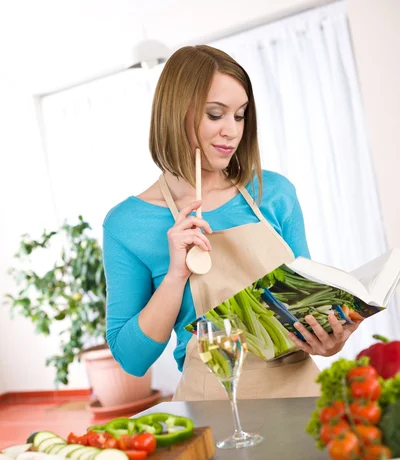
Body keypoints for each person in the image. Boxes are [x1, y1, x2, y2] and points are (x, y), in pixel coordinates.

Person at [102, 45, 360, 401]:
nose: (231, 131)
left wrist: (329, 341)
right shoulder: (128, 224)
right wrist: (176, 276)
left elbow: (308, 306)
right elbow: (132, 359)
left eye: (239, 116)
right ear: (175, 114)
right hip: (215, 408)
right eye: (215, 114)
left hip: (301, 397)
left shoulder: (274, 193)